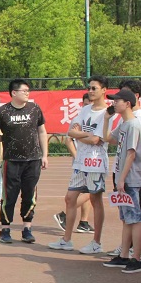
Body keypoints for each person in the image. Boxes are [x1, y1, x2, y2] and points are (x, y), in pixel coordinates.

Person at [48, 76, 109, 254]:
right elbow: (71, 132)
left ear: (104, 90)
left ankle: (96, 242)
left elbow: (97, 140)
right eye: (89, 88)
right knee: (70, 197)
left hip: (96, 162)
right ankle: (66, 240)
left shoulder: (107, 114)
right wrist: (84, 135)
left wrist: (80, 134)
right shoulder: (85, 110)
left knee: (95, 199)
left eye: (94, 88)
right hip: (80, 161)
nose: (90, 91)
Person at [0, 79, 48, 244]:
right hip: (12, 161)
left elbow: (42, 132)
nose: (27, 93)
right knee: (10, 196)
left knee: (29, 194)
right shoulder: (2, 112)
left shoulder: (34, 109)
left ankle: (27, 229)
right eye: (24, 91)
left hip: (33, 160)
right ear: (14, 93)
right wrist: (7, 139)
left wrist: (44, 155)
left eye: (28, 91)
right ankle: (5, 229)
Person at [102, 89, 141, 273]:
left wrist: (122, 179)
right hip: (123, 178)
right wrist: (106, 120)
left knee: (135, 218)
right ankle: (124, 255)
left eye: (117, 101)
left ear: (127, 103)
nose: (114, 103)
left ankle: (136, 258)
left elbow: (131, 154)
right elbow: (108, 138)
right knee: (126, 219)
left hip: (131, 179)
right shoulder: (124, 124)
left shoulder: (134, 124)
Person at [53, 92, 95, 233]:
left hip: (93, 161)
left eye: (91, 103)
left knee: (88, 191)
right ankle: (64, 214)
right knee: (93, 192)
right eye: (86, 103)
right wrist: (78, 158)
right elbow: (68, 140)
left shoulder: (97, 118)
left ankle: (84, 222)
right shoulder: (79, 119)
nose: (89, 106)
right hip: (83, 162)